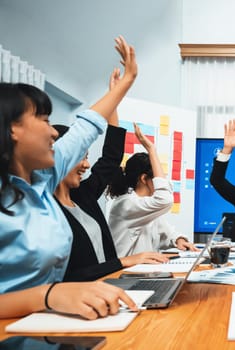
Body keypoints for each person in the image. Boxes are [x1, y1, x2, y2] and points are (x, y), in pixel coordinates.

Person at [0, 35, 138, 319]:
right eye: (44, 120)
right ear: (13, 128)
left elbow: (86, 128)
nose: (53, 133)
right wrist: (48, 295)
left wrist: (126, 82)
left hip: (43, 326)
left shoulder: (40, 182)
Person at [53, 69, 170, 282]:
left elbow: (111, 158)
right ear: (61, 157)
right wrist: (124, 261)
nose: (86, 164)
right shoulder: (46, 211)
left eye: (87, 157)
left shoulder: (83, 195)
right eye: (80, 157)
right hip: (83, 297)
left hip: (109, 287)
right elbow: (67, 278)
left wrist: (115, 96)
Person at [106, 123, 197, 257]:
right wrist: (151, 149)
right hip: (124, 273)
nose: (162, 180)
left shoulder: (145, 205)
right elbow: (165, 200)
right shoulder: (126, 204)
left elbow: (165, 231)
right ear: (144, 178)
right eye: (157, 177)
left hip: (143, 271)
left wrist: (179, 239)